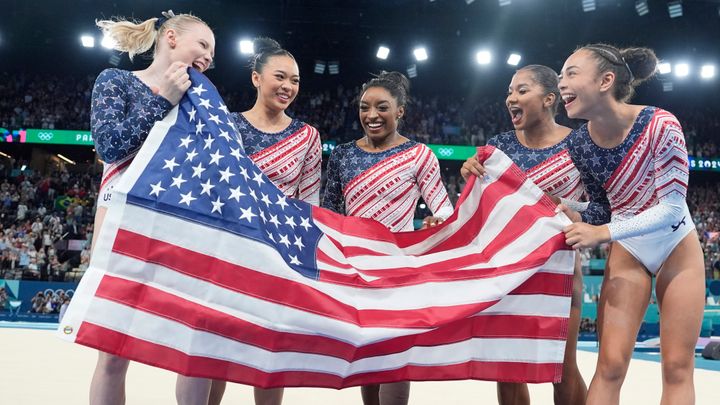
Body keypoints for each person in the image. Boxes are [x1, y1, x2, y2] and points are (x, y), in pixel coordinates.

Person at [557, 43, 704, 405]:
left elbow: (670, 208)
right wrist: (565, 205)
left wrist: (603, 233)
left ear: (606, 80)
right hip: (630, 246)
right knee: (609, 366)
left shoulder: (660, 123)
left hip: (676, 243)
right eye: (560, 76)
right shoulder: (579, 143)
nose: (561, 84)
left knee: (676, 367)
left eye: (571, 73)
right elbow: (602, 210)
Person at [88, 10, 215, 405]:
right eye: (204, 45)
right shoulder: (116, 81)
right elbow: (110, 145)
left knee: (196, 353)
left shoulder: (203, 103)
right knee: (113, 354)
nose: (210, 58)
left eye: (213, 53)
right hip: (122, 223)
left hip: (181, 226)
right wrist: (164, 99)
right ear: (172, 38)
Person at [460, 64, 591, 405]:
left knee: (561, 368)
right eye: (509, 91)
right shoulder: (498, 146)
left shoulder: (580, 142)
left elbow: (601, 206)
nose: (510, 98)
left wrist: (574, 209)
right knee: (508, 368)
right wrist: (470, 175)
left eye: (521, 90)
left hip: (559, 267)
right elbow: (486, 209)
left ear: (550, 99)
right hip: (508, 270)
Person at [322, 71, 454, 405]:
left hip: (399, 269)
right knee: (367, 355)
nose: (372, 116)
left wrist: (435, 221)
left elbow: (443, 210)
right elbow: (330, 214)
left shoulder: (418, 155)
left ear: (400, 111)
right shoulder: (342, 155)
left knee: (395, 357)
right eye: (365, 107)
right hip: (356, 269)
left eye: (382, 107)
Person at [204, 36, 322, 405]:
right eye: (280, 77)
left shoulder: (307, 136)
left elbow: (309, 205)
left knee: (271, 356)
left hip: (278, 257)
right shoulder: (228, 126)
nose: (288, 87)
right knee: (215, 354)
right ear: (256, 78)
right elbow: (212, 190)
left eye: (296, 80)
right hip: (229, 251)